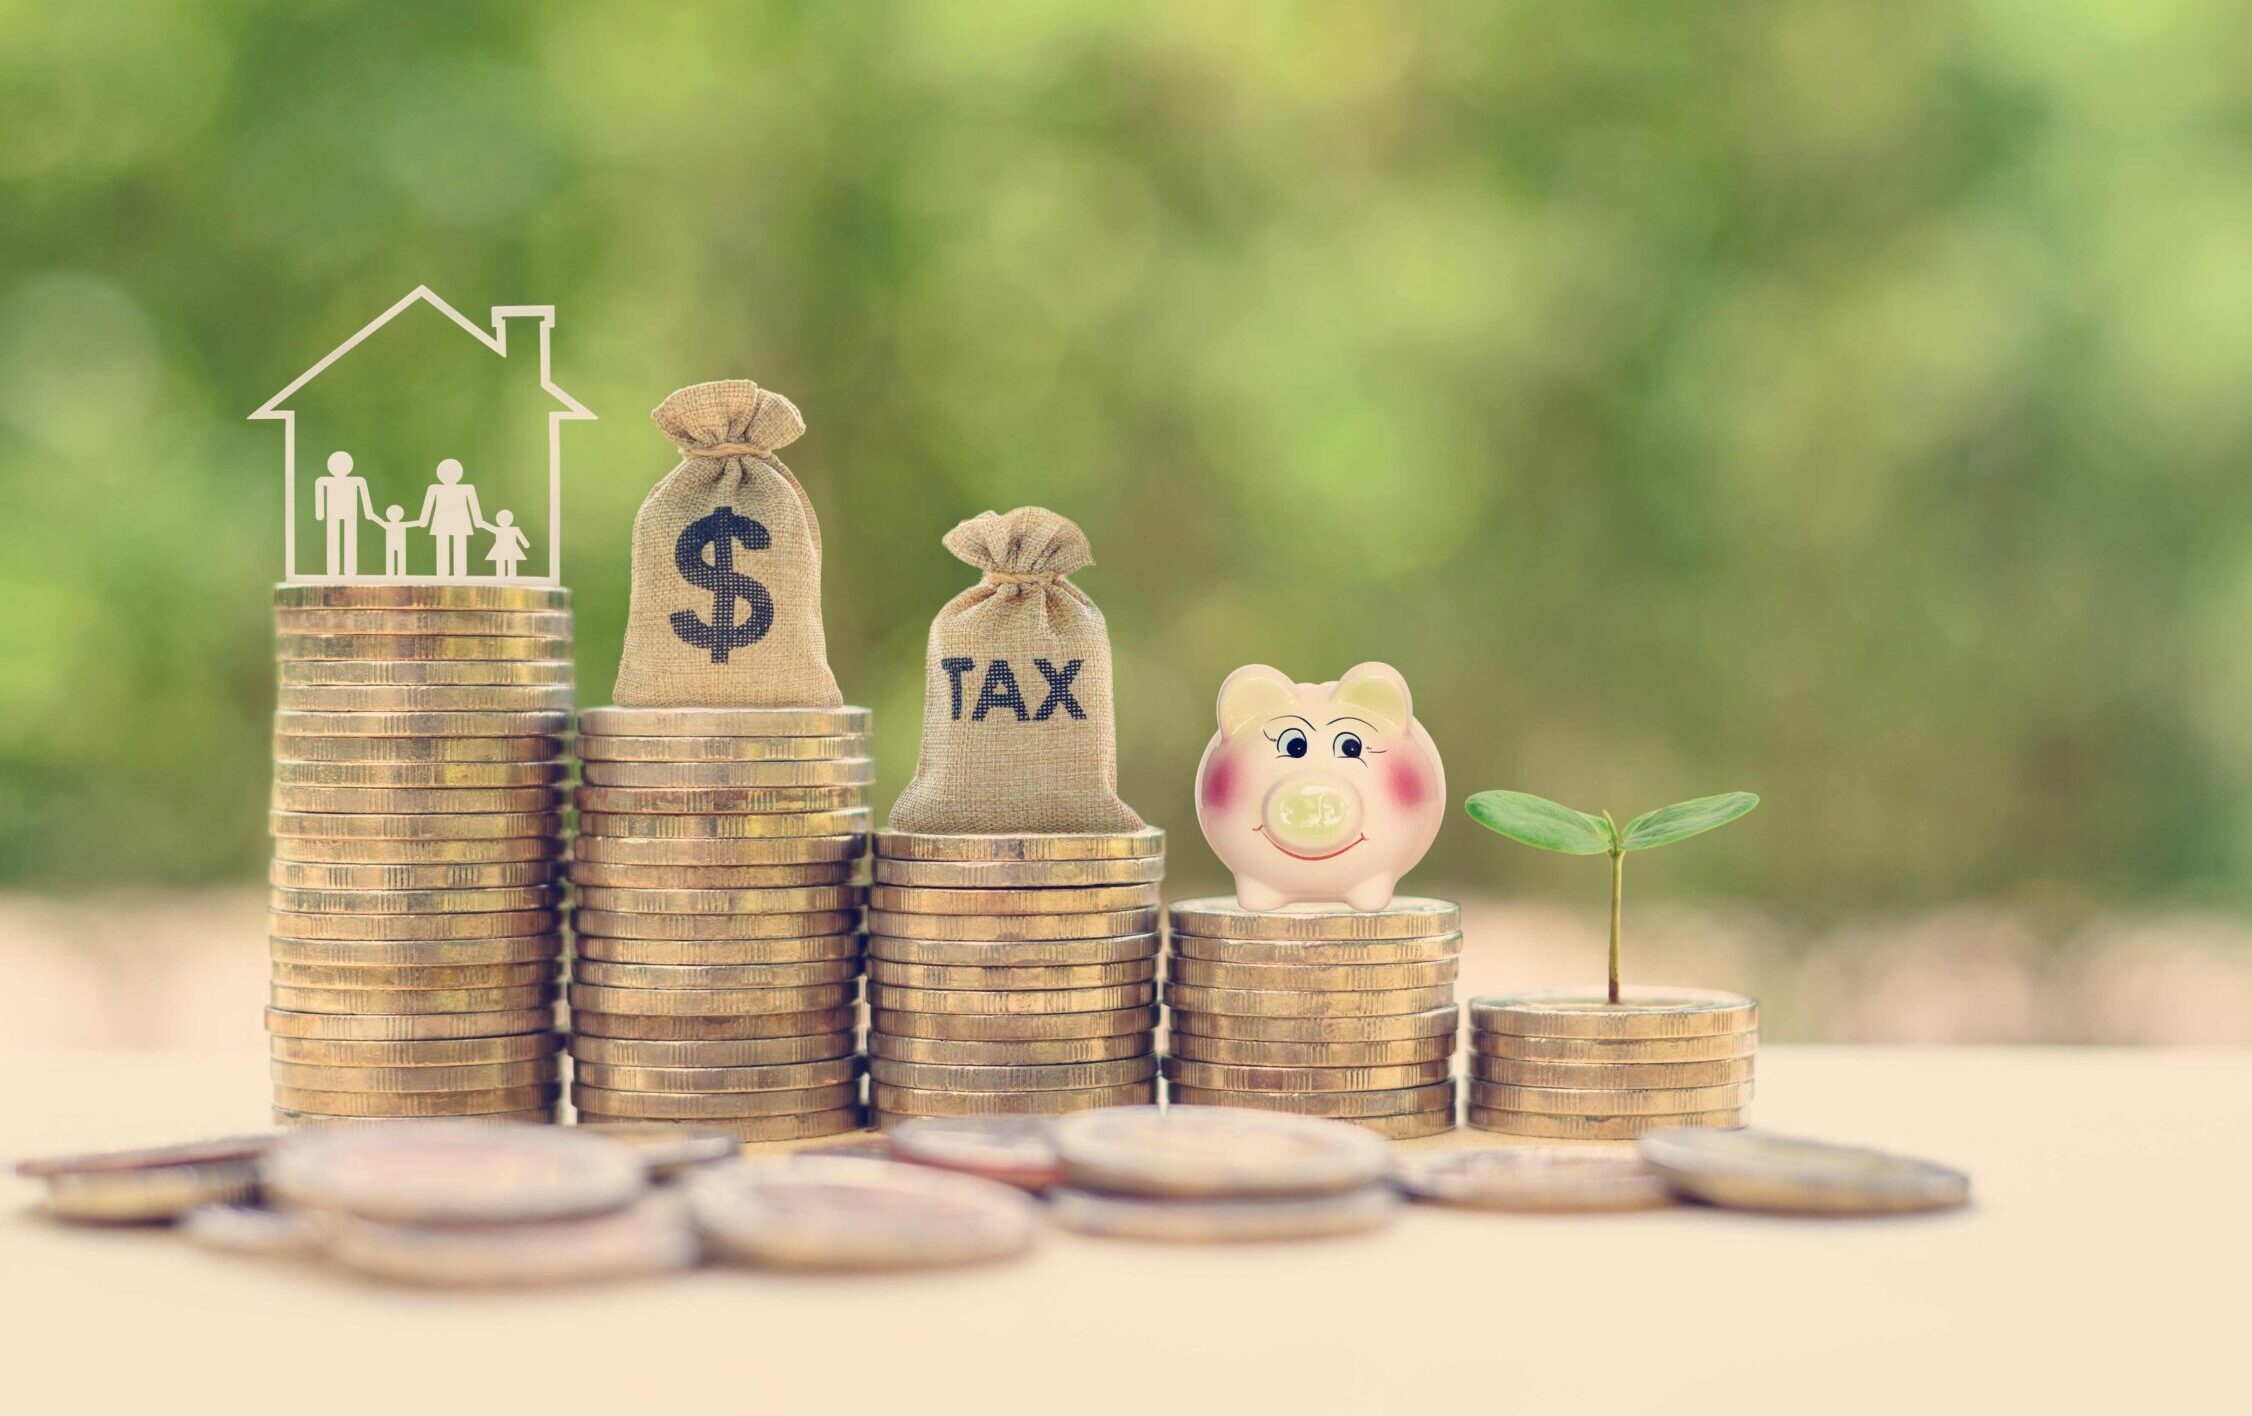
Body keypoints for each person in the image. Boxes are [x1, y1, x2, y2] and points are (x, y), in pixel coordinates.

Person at [416, 458, 489, 579]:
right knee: (443, 547)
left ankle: (459, 574)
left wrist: (478, 521)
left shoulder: (467, 489)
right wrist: (423, 521)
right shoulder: (434, 489)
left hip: (460, 521)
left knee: (459, 547)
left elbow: (474, 507)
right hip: (442, 522)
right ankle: (443, 574)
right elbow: (428, 507)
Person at [313, 451, 376, 575]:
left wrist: (369, 512)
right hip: (333, 512)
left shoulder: (357, 480)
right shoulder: (324, 480)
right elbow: (319, 491)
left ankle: (350, 570)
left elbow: (364, 495)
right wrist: (319, 512)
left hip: (349, 513)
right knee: (333, 540)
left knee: (350, 539)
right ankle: (332, 570)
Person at [484, 509, 530, 579]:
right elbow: (525, 542)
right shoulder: (512, 529)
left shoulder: (500, 529)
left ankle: (505, 577)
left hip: (507, 550)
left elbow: (487, 526)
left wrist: (481, 523)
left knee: (505, 565)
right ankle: (505, 577)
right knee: (504, 565)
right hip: (506, 550)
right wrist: (525, 544)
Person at [379, 504, 423, 577]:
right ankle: (391, 574)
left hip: (400, 545)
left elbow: (417, 523)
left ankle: (400, 574)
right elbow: (418, 523)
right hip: (392, 545)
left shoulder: (398, 524)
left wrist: (421, 522)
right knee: (391, 559)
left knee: (400, 560)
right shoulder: (388, 524)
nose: (395, 516)